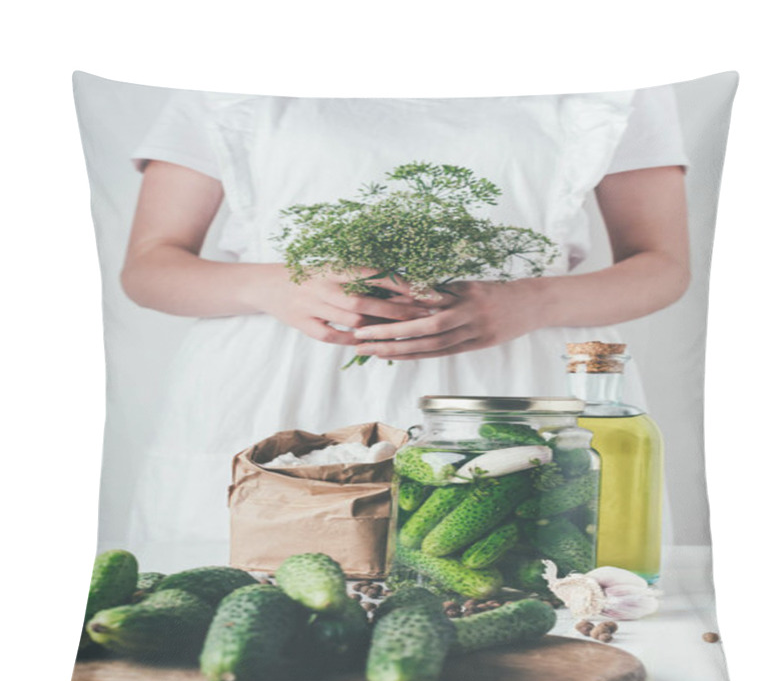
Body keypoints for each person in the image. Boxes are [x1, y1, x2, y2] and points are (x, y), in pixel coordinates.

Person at [123, 86, 689, 563]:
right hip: (279, 390)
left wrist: (532, 301)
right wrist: (271, 285)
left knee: (538, 613)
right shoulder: (222, 57)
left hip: (511, 390)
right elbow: (150, 267)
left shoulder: (616, 66)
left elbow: (663, 265)